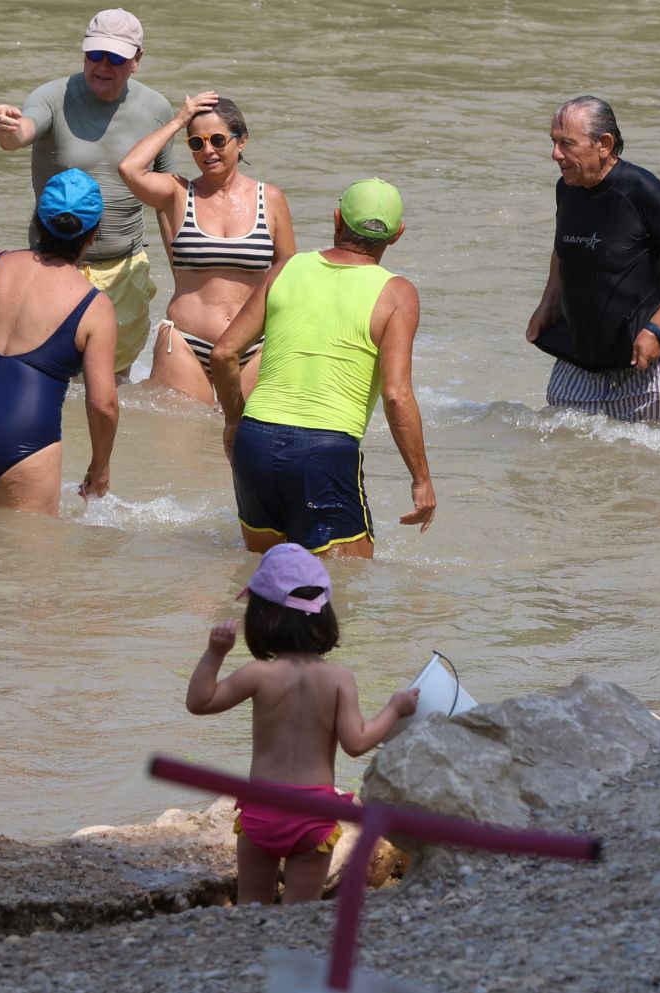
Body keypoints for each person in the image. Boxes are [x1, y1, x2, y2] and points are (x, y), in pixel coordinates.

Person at [211, 179, 435, 558]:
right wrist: (422, 479)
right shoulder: (398, 293)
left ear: (336, 220)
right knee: (343, 594)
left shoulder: (287, 268)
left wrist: (235, 421)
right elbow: (396, 395)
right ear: (397, 235)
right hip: (325, 452)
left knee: (265, 580)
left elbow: (223, 354)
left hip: (255, 443)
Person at [185, 544, 418, 905]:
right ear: (324, 617)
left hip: (262, 810)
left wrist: (215, 653)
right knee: (301, 914)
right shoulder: (340, 679)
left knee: (252, 904)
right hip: (313, 815)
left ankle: (252, 960)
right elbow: (356, 743)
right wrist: (394, 709)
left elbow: (199, 703)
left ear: (264, 617)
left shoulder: (258, 674)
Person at [0, 9, 174, 377]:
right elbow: (21, 134)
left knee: (110, 381)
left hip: (124, 267)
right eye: (95, 54)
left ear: (137, 60)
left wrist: (182, 277)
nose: (103, 65)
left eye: (116, 58)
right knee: (45, 372)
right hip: (53, 264)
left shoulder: (157, 110)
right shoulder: (53, 97)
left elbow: (168, 200)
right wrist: (7, 129)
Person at [0, 170, 119, 516]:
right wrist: (101, 466)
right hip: (25, 438)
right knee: (26, 567)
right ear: (93, 235)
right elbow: (103, 403)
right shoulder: (94, 306)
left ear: (38, 219)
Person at [525, 96, 660, 427]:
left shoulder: (642, 192)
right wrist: (547, 304)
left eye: (566, 143)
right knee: (566, 460)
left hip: (648, 364)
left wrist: (656, 329)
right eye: (554, 142)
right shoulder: (567, 188)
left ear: (604, 144)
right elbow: (563, 247)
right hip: (579, 359)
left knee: (654, 467)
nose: (555, 154)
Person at [117, 90, 296, 402]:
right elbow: (129, 169)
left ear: (242, 141)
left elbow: (290, 275)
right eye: (197, 143)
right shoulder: (176, 192)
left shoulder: (270, 199)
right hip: (186, 345)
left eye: (217, 140)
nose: (208, 151)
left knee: (249, 444)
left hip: (254, 345)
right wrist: (177, 121)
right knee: (184, 446)